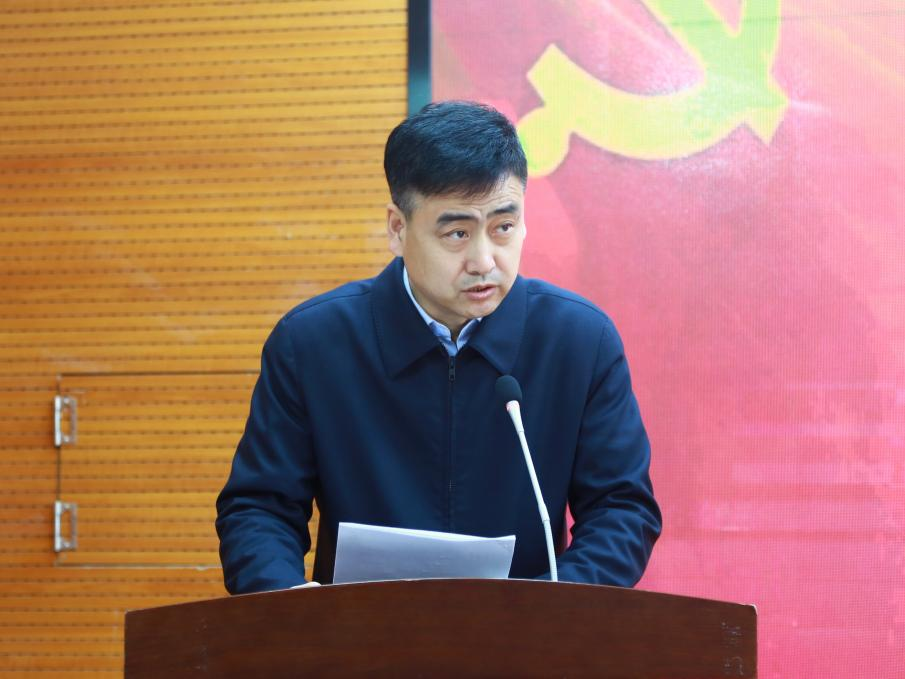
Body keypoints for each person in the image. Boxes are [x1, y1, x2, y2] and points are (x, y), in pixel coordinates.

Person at [216, 101, 661, 594]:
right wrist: (289, 608)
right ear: (398, 228)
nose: (484, 261)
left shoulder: (579, 340)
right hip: (356, 634)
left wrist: (550, 615)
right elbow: (259, 509)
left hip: (529, 635)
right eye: (457, 233)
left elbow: (621, 509)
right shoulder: (313, 344)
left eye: (503, 227)